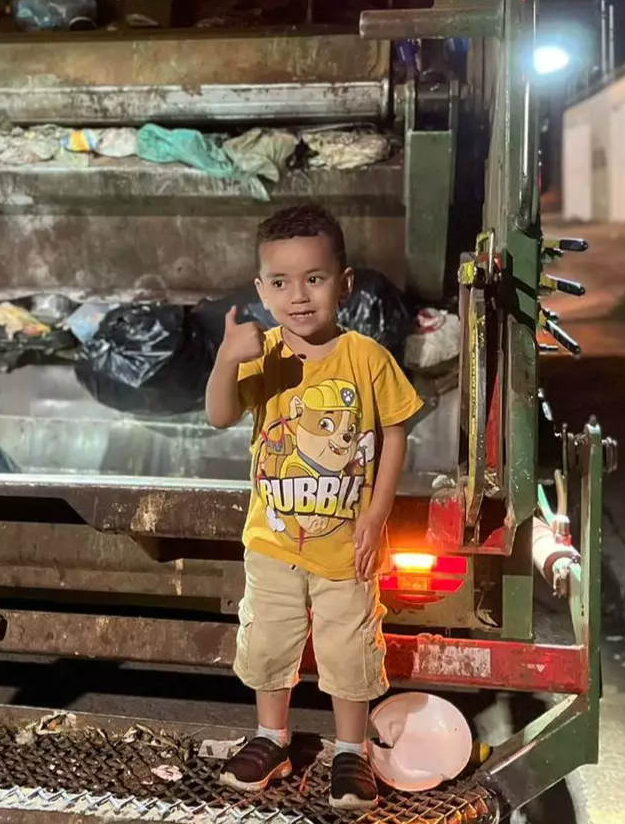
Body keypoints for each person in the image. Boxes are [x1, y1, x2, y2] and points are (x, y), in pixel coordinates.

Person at [205, 203, 423, 810]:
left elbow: (395, 433)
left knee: (348, 648)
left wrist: (376, 517)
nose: (298, 296)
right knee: (268, 642)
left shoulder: (369, 358)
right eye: (280, 282)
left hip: (346, 546)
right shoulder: (263, 355)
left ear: (343, 284)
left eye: (314, 278)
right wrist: (226, 358)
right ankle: (271, 737)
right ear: (261, 290)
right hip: (273, 543)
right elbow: (219, 415)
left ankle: (351, 750)